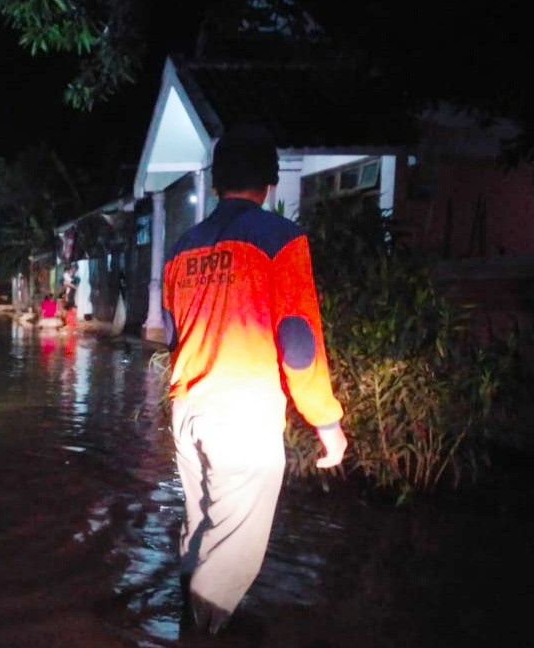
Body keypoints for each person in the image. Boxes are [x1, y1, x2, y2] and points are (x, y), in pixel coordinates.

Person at [160, 124, 347, 635]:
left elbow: (173, 330)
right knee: (234, 550)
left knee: (200, 524)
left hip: (188, 407)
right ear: (269, 182)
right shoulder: (281, 240)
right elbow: (299, 340)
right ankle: (202, 633)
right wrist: (326, 421)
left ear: (216, 181)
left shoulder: (181, 248)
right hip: (241, 412)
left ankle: (185, 618)